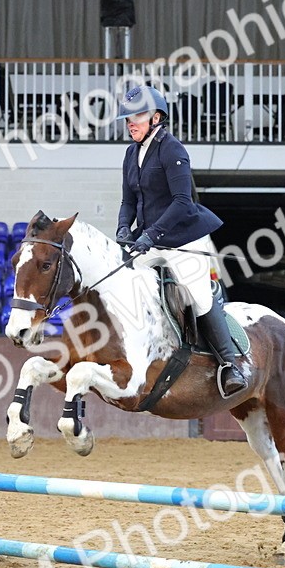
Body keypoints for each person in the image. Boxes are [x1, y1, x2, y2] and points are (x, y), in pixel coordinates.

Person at [113, 84, 246, 397]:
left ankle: (229, 365)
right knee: (121, 280)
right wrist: (123, 228)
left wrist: (151, 234)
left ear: (156, 118)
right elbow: (128, 201)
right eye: (128, 119)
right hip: (150, 240)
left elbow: (182, 202)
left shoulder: (172, 150)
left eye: (137, 117)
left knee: (197, 295)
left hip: (184, 238)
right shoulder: (131, 154)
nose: (130, 123)